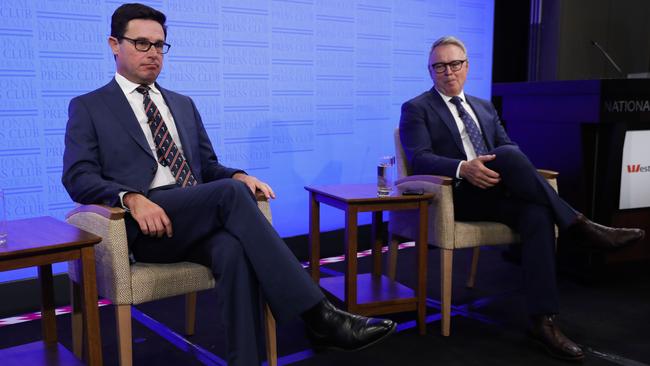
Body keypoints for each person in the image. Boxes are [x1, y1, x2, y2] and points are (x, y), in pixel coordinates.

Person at [62, 3, 395, 365]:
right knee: (230, 195)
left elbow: (206, 166)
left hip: (197, 213)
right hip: (146, 226)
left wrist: (237, 175)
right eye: (142, 43)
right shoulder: (89, 107)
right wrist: (130, 198)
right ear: (114, 44)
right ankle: (320, 316)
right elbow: (77, 176)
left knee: (231, 248)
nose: (153, 53)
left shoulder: (182, 104)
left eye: (160, 45)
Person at [399, 36, 645, 361]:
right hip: (456, 194)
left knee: (536, 213)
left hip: (498, 188)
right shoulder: (417, 108)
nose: (448, 71)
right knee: (509, 156)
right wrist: (464, 168)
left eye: (455, 63)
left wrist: (502, 167)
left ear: (467, 66)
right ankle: (580, 225)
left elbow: (508, 147)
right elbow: (419, 158)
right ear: (430, 72)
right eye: (439, 66)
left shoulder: (484, 107)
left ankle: (543, 322)